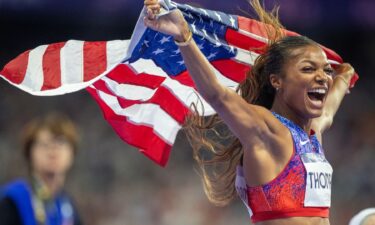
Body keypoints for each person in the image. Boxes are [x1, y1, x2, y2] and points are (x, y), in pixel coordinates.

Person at [143, 0, 356, 224]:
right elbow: (218, 95)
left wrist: (344, 76)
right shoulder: (267, 129)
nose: (323, 76)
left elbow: (329, 111)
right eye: (308, 69)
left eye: (326, 70)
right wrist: (183, 36)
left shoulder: (313, 133)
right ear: (277, 81)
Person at [0, 112, 82, 225]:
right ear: (29, 153)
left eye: (61, 143)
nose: (53, 151)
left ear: (73, 153)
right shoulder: (12, 199)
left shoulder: (68, 207)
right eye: (45, 144)